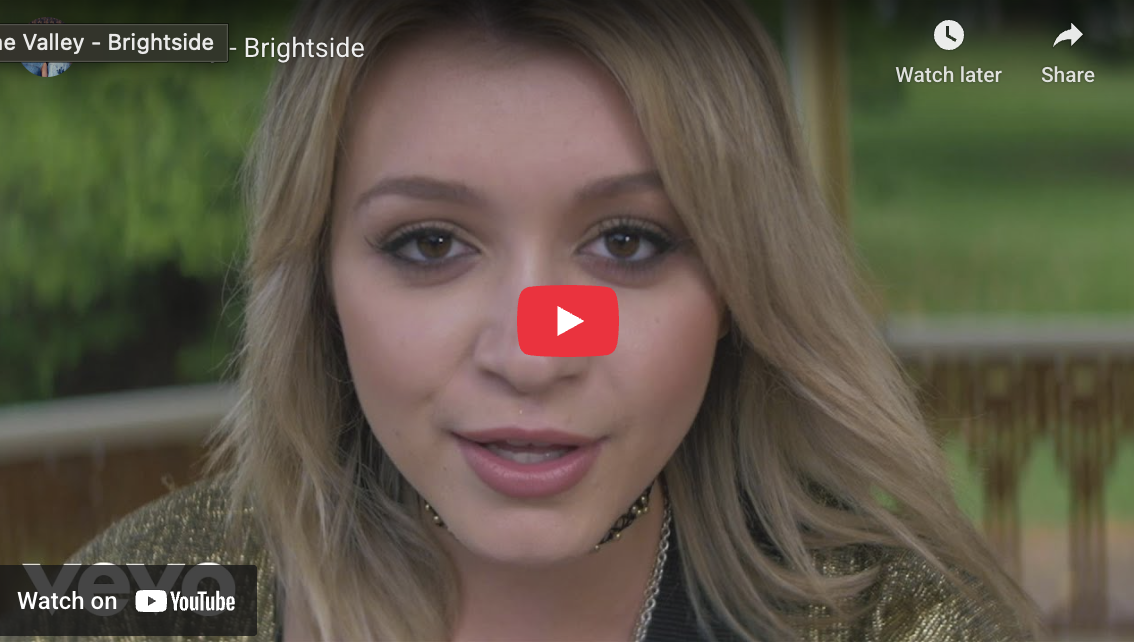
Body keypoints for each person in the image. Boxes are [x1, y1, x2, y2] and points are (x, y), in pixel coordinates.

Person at [63, 0, 1044, 640]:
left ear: (740, 289)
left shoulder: (909, 624)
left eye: (626, 243)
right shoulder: (127, 603)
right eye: (430, 245)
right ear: (317, 283)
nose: (532, 355)